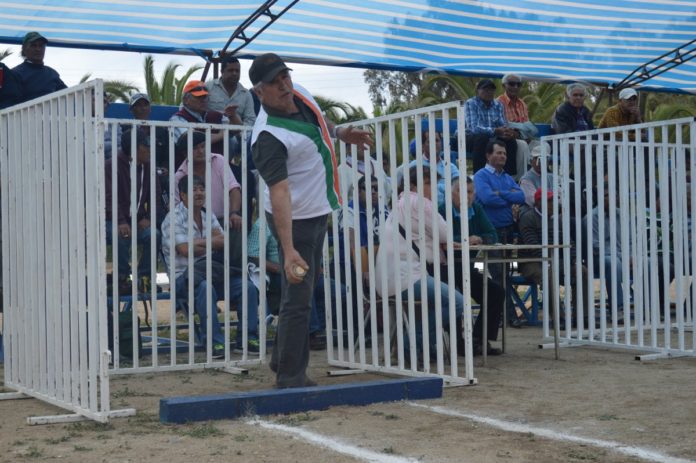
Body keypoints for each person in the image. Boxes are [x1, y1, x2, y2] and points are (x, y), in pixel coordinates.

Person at [250, 52, 372, 388]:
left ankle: (282, 359)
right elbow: (279, 192)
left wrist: (342, 132)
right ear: (259, 92)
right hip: (295, 219)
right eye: (275, 83)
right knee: (300, 295)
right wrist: (288, 250)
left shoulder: (299, 91)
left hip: (317, 211)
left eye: (285, 77)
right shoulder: (267, 136)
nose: (284, 85)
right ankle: (290, 377)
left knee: (302, 289)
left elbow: (320, 121)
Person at [161, 175, 260, 356]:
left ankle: (248, 338)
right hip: (183, 278)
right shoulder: (173, 218)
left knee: (248, 287)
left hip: (212, 272)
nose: (199, 193)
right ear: (182, 195)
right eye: (193, 189)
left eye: (202, 189)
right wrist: (211, 242)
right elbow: (184, 250)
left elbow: (224, 242)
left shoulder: (209, 215)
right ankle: (215, 342)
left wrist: (198, 244)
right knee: (205, 288)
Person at [375, 166, 465, 358]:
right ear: (413, 185)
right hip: (406, 275)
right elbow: (445, 233)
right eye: (427, 183)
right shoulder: (419, 202)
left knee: (439, 301)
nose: (432, 187)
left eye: (434, 183)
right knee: (457, 302)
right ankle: (409, 346)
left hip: (389, 277)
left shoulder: (399, 203)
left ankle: (424, 347)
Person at [440, 176, 503, 355]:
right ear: (452, 194)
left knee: (496, 292)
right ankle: (458, 342)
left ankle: (479, 339)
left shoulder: (476, 209)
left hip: (470, 265)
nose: (465, 196)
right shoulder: (442, 211)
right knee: (454, 297)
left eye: (469, 192)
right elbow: (443, 239)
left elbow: (492, 234)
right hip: (448, 266)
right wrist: (467, 239)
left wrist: (480, 238)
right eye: (461, 191)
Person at [474, 138, 526, 326]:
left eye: (504, 153)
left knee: (505, 273)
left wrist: (500, 192)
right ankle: (508, 316)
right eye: (498, 153)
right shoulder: (480, 176)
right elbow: (487, 198)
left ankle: (504, 315)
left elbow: (521, 196)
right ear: (488, 156)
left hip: (507, 230)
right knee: (498, 274)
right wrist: (507, 194)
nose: (503, 156)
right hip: (491, 232)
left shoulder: (506, 176)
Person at [519, 188, 588, 324]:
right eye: (549, 201)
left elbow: (569, 243)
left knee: (582, 271)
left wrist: (574, 260)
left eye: (553, 201)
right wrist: (551, 262)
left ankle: (582, 317)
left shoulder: (558, 220)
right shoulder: (528, 218)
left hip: (555, 260)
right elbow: (533, 246)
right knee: (548, 274)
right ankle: (558, 318)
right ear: (538, 202)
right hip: (531, 261)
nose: (553, 204)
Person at [104, 128, 161, 293]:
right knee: (119, 233)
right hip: (112, 220)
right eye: (146, 145)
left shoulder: (149, 166)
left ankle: (145, 278)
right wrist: (121, 221)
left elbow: (156, 196)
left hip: (136, 220)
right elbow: (109, 198)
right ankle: (121, 277)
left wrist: (149, 217)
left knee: (154, 235)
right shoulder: (111, 165)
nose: (150, 149)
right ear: (134, 148)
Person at [464, 79, 518, 176]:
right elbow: (473, 128)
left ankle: (509, 177)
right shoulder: (471, 103)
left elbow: (502, 124)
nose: (489, 92)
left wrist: (507, 132)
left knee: (510, 141)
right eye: (485, 89)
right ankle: (480, 176)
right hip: (469, 137)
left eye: (491, 90)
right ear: (478, 91)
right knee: (482, 138)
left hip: (492, 137)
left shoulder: (498, 105)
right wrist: (495, 131)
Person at [496, 73, 534, 178]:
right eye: (512, 84)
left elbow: (527, 127)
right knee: (522, 145)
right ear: (504, 86)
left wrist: (526, 134)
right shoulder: (498, 103)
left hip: (523, 137)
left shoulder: (522, 104)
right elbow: (503, 126)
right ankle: (520, 180)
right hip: (508, 138)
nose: (515, 87)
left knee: (544, 146)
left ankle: (541, 181)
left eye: (518, 84)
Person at [13, 32, 66, 103]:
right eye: (33, 45)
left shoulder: (52, 73)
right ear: (24, 49)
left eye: (41, 46)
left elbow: (68, 95)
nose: (38, 49)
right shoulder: (15, 73)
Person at [206, 56, 256, 127]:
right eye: (230, 70)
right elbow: (200, 111)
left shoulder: (246, 94)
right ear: (222, 71)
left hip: (237, 135)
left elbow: (250, 120)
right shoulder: (208, 87)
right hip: (210, 134)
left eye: (237, 71)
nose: (234, 73)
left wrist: (242, 135)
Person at [519, 142, 554, 209]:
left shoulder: (551, 177)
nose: (540, 162)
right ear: (531, 161)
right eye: (537, 158)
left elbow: (561, 197)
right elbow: (533, 201)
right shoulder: (526, 179)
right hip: (534, 214)